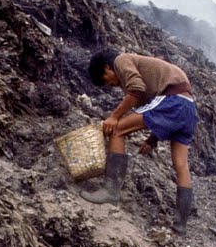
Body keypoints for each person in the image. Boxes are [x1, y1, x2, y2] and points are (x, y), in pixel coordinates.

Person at [81, 48, 199, 234]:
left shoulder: (121, 60)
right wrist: (152, 140)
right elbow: (160, 114)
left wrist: (114, 116)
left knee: (118, 130)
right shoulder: (146, 75)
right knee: (181, 165)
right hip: (189, 109)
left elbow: (137, 89)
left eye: (107, 81)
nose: (112, 85)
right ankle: (180, 225)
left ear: (107, 68)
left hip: (173, 101)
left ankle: (110, 191)